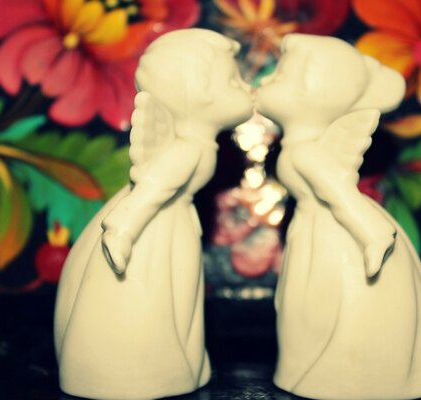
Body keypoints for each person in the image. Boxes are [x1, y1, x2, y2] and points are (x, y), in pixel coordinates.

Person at [54, 29, 252, 400]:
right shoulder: (189, 148)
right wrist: (124, 228)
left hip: (174, 223)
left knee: (176, 298)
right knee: (154, 298)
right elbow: (153, 188)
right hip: (158, 227)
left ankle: (179, 365)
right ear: (200, 92)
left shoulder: (195, 143)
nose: (246, 87)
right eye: (233, 81)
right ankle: (144, 370)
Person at [257, 34, 421, 400]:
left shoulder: (306, 152)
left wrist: (372, 233)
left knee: (335, 308)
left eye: (280, 75)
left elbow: (339, 192)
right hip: (316, 230)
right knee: (308, 310)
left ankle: (345, 375)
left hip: (335, 235)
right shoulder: (302, 146)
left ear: (309, 91)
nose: (266, 79)